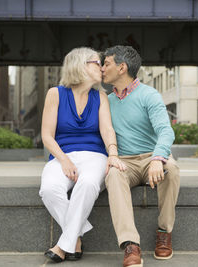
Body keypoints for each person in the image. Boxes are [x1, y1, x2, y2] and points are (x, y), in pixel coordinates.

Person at [39, 47, 126, 263]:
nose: (103, 68)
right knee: (49, 189)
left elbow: (107, 130)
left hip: (95, 156)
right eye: (98, 63)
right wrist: (65, 160)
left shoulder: (100, 97)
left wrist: (113, 154)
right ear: (81, 65)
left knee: (87, 184)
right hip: (62, 156)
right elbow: (47, 136)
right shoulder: (55, 94)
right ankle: (75, 238)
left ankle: (62, 245)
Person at [101, 45, 180, 267]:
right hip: (124, 161)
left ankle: (164, 232)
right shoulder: (106, 101)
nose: (102, 69)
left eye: (106, 64)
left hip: (149, 157)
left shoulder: (149, 95)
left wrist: (157, 158)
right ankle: (130, 245)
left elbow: (166, 131)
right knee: (113, 175)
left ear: (122, 67)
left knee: (171, 169)